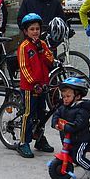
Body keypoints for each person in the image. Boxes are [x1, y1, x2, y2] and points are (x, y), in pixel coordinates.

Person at [16, 12, 55, 158]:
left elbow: (50, 60)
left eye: (37, 29)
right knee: (28, 114)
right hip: (29, 87)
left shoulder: (42, 44)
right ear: (26, 31)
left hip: (43, 85)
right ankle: (23, 142)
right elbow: (24, 67)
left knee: (41, 114)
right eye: (32, 29)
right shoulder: (24, 46)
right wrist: (34, 83)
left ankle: (39, 139)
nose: (35, 32)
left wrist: (41, 50)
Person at [51, 77, 90, 179]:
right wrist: (55, 123)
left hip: (81, 139)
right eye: (63, 97)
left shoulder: (83, 109)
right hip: (69, 138)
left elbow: (78, 125)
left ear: (77, 96)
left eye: (68, 96)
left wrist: (65, 127)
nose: (65, 99)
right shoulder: (64, 106)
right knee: (70, 154)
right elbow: (57, 114)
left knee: (77, 157)